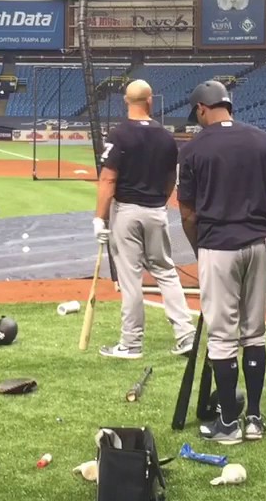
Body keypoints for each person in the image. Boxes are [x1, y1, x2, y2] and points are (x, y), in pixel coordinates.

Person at [177, 80, 266, 445]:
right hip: (260, 244)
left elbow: (187, 214)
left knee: (223, 337)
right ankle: (255, 418)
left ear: (201, 109)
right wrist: (264, 224)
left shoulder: (193, 149)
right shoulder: (264, 140)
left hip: (218, 246)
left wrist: (202, 250)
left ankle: (228, 424)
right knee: (254, 332)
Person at [94, 79, 197, 360]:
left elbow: (108, 179)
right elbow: (170, 179)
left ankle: (131, 343)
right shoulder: (165, 136)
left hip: (127, 211)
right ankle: (186, 334)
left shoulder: (119, 135)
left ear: (126, 102)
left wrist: (99, 219)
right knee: (166, 271)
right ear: (150, 100)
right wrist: (158, 202)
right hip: (157, 211)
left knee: (131, 278)